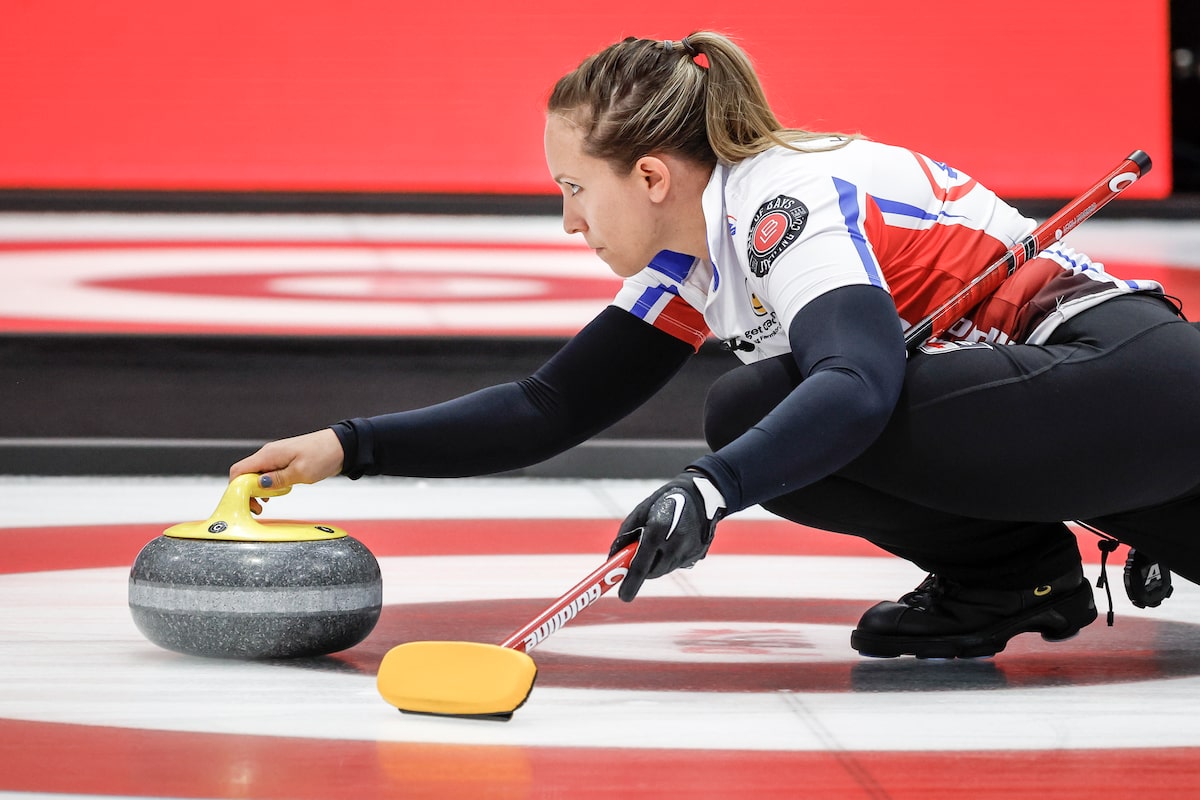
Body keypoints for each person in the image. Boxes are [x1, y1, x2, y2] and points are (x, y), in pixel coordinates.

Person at [231, 32, 1200, 660]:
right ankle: (1014, 576)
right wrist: (350, 446)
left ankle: (1005, 572)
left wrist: (707, 487)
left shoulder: (780, 202)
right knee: (765, 414)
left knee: (757, 411)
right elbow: (551, 407)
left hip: (1131, 379)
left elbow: (859, 383)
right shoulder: (695, 259)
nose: (567, 220)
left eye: (572, 188)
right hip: (1102, 427)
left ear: (650, 174)